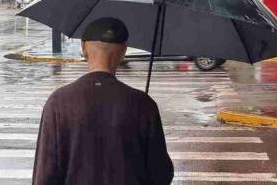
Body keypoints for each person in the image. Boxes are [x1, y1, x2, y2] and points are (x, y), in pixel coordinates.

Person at [32, 17, 174, 185]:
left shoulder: (58, 103)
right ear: (123, 52)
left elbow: (45, 175)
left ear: (84, 48)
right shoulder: (144, 104)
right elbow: (161, 174)